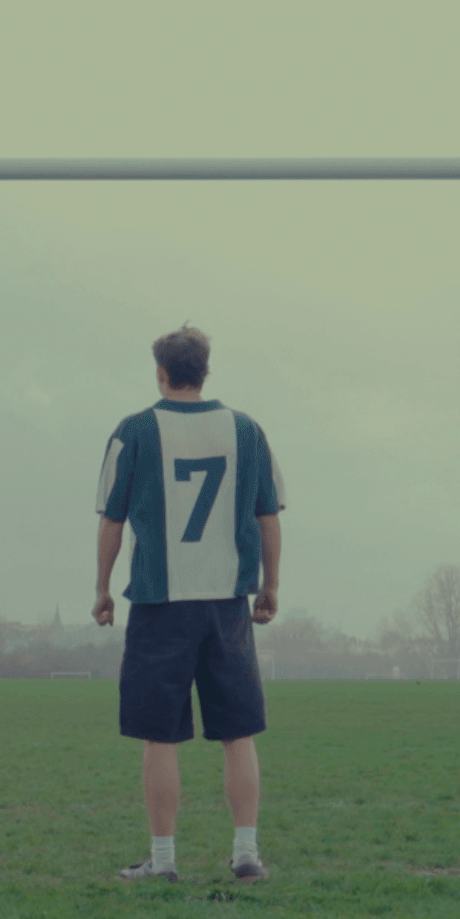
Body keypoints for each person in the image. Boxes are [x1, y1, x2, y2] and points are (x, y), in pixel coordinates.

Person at [92, 325, 284, 883]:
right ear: (205, 370)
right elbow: (267, 516)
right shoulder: (247, 431)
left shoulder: (133, 431)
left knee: (161, 735)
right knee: (237, 733)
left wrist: (102, 589)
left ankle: (165, 860)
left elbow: (112, 519)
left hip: (159, 601)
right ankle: (246, 853)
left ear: (161, 372)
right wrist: (271, 585)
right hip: (226, 602)